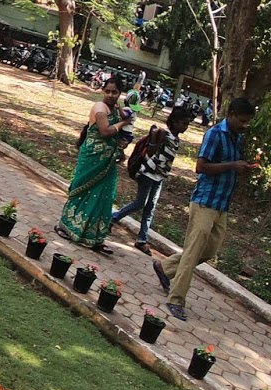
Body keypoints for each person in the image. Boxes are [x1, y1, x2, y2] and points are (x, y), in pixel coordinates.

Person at [153, 97, 258, 320]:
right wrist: (232, 165)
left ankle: (165, 267)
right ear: (230, 114)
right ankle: (176, 300)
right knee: (193, 252)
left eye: (247, 122)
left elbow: (230, 165)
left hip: (222, 205)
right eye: (242, 120)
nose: (244, 125)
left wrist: (242, 167)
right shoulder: (214, 134)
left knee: (207, 252)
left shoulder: (237, 137)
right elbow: (201, 167)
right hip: (205, 202)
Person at [55, 77, 135, 253]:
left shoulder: (117, 110)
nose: (111, 95)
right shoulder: (100, 108)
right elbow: (105, 131)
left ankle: (94, 236)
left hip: (108, 161)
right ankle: (67, 226)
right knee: (83, 190)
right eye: (108, 91)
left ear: (120, 93)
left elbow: (122, 133)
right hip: (93, 158)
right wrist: (124, 123)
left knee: (104, 195)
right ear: (102, 91)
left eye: (115, 92)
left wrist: (123, 145)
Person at [111, 106, 192, 252]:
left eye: (187, 124)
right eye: (183, 123)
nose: (185, 127)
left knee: (150, 207)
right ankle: (114, 217)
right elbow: (151, 152)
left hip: (159, 177)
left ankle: (142, 239)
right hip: (148, 173)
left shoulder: (176, 139)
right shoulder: (163, 135)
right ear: (174, 122)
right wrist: (144, 170)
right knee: (140, 203)